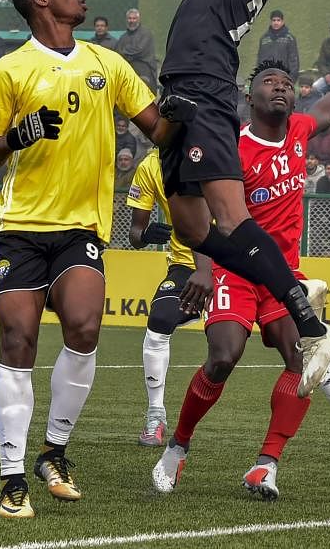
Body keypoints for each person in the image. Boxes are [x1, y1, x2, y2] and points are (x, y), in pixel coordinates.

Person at [0, 0, 179, 519]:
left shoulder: (107, 63)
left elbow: (160, 129)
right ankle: (12, 476)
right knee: (19, 340)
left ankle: (53, 452)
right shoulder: (10, 70)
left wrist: (192, 101)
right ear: (41, 0)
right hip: (20, 227)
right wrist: (19, 134)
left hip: (81, 228)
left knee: (85, 328)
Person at [155, 0, 330, 401]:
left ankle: (305, 319)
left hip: (207, 86)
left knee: (233, 221)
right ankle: (295, 292)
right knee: (190, 225)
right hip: (186, 87)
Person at [152, 57, 330, 499]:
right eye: (269, 82)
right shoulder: (232, 147)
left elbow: (328, 110)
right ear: (248, 95)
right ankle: (177, 447)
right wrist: (202, 269)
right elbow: (201, 214)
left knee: (302, 364)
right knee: (224, 355)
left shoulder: (299, 130)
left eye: (287, 84)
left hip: (283, 274)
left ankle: (265, 464)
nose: (280, 88)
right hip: (234, 269)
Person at [126, 148, 211, 447]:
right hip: (185, 266)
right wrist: (146, 235)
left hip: (233, 263)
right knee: (159, 321)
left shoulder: (220, 150)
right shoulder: (150, 165)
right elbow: (135, 234)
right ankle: (156, 415)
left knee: (286, 329)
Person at [115, 8, 159, 93]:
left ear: (138, 19)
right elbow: (117, 52)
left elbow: (139, 50)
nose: (132, 21)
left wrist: (125, 52)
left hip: (145, 70)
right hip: (127, 71)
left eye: (134, 18)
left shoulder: (146, 33)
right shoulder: (123, 37)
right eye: (129, 18)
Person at [256, 9, 299, 81]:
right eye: (274, 20)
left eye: (278, 20)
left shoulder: (290, 39)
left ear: (282, 21)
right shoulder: (264, 39)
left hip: (284, 77)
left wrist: (291, 78)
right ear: (271, 22)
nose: (276, 23)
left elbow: (294, 60)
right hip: (268, 77)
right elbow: (260, 60)